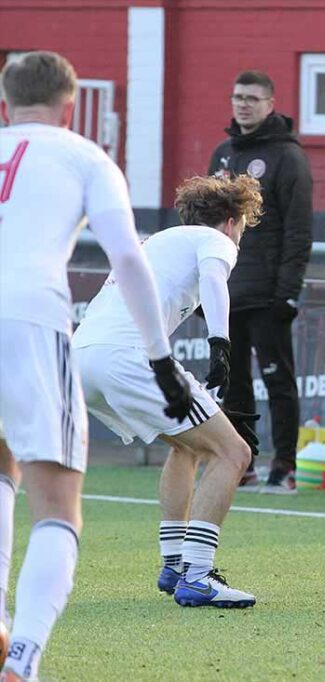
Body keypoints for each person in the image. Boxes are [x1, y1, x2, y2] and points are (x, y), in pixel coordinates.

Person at [0, 51, 189, 680]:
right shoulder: (84, 156)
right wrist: (161, 359)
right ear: (71, 103)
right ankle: (21, 661)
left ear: (6, 103)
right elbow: (130, 261)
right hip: (31, 322)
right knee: (56, 506)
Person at [73, 175, 265, 608]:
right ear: (232, 220)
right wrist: (222, 347)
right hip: (125, 357)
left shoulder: (158, 241)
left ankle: (175, 562)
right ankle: (198, 576)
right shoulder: (215, 240)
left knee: (186, 446)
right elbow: (216, 280)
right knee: (234, 453)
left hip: (81, 357)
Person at [208, 70, 313, 495]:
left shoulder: (288, 158)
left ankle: (284, 465)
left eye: (252, 97)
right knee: (232, 382)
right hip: (226, 292)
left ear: (271, 104)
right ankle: (243, 462)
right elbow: (203, 223)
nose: (243, 104)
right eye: (237, 96)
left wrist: (287, 292)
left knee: (277, 380)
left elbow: (299, 231)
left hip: (269, 294)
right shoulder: (222, 152)